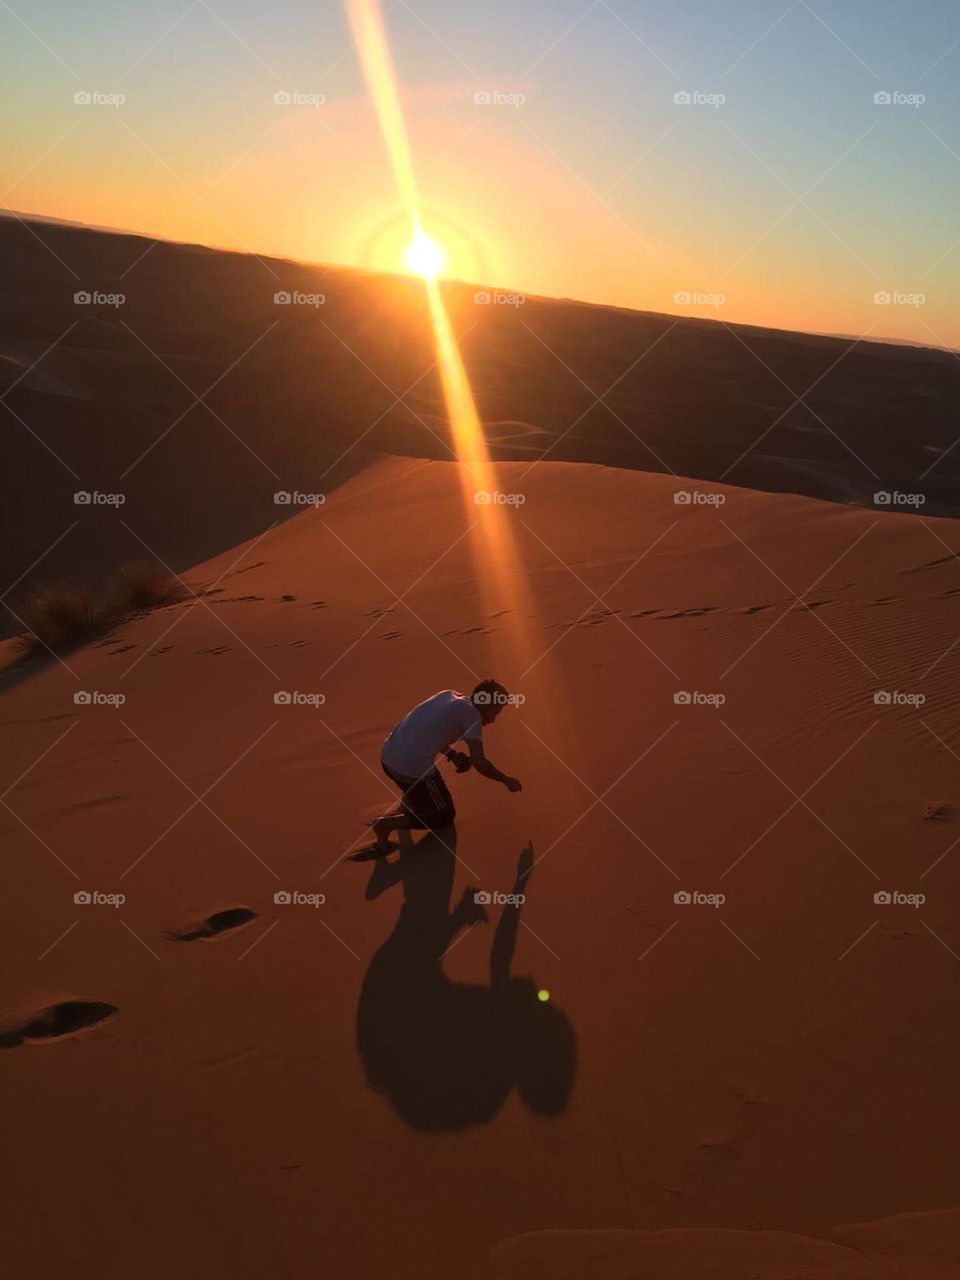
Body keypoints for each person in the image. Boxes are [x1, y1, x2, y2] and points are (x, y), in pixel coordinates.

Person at [372, 680, 521, 853]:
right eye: (495, 712)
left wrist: (452, 755)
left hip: (388, 755)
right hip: (407, 768)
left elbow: (428, 730)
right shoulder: (473, 715)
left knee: (422, 772)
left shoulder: (449, 695)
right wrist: (506, 780)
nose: (493, 720)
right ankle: (386, 825)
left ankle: (408, 803)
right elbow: (480, 763)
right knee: (444, 816)